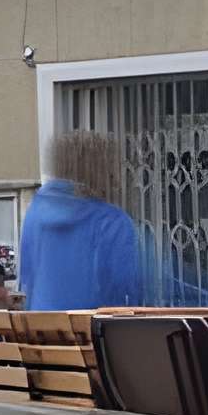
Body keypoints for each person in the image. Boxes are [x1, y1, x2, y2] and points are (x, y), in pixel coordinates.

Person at [17, 133, 152, 310]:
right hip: (92, 331)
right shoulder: (112, 221)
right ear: (103, 172)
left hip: (44, 329)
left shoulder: (35, 214)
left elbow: (26, 280)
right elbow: (126, 290)